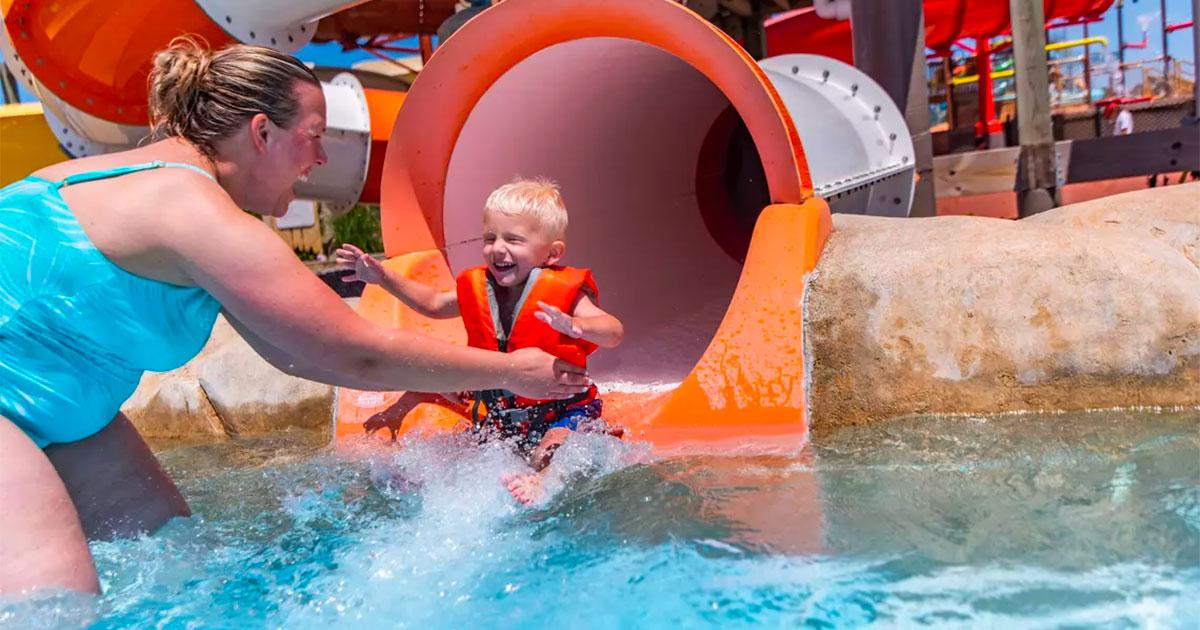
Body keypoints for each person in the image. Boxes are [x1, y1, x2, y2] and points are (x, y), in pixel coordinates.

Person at [0, 39, 589, 596]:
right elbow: (352, 351)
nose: (322, 157)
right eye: (313, 136)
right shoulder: (191, 210)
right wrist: (511, 370)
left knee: (182, 559)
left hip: (66, 409)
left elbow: (294, 351)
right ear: (261, 133)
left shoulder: (174, 198)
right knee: (56, 603)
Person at [337, 178, 625, 505]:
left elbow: (613, 331)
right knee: (454, 403)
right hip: (501, 408)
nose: (497, 248)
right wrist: (382, 277)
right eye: (490, 238)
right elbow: (431, 303)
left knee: (555, 446)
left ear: (552, 253)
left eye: (513, 239)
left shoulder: (562, 296)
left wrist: (576, 325)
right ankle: (418, 473)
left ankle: (541, 482)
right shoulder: (481, 287)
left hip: (561, 407)